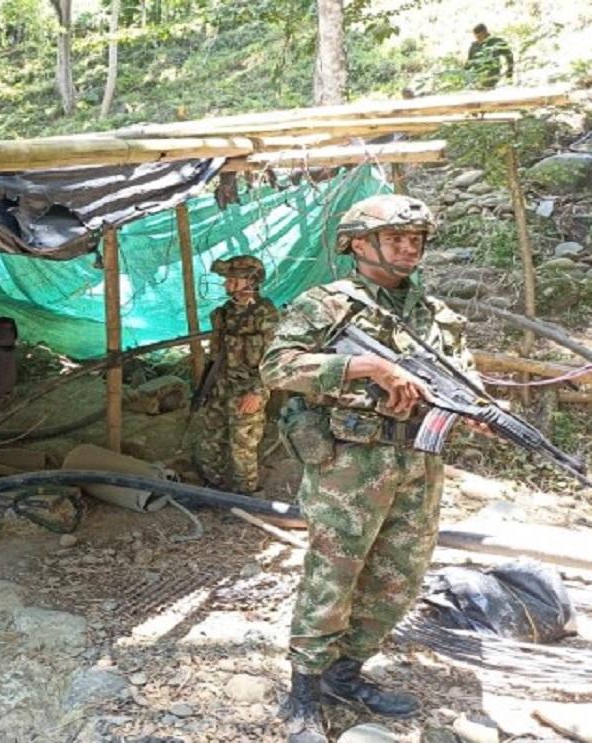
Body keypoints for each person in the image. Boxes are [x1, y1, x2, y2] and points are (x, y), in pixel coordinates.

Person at [260, 195, 483, 742]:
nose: (410, 247)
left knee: (398, 577)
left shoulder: (435, 315)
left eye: (417, 239)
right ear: (359, 244)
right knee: (334, 575)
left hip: (420, 460)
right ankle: (305, 691)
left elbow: (466, 380)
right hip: (351, 465)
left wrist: (477, 409)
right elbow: (276, 366)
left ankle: (346, 673)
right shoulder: (329, 305)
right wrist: (366, 365)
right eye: (396, 237)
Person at [190, 256, 280, 494]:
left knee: (243, 447)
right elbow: (216, 354)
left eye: (232, 279)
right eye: (227, 279)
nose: (226, 284)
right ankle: (212, 489)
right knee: (211, 440)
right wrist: (206, 388)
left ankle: (246, 496)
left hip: (247, 389)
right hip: (219, 387)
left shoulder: (265, 313)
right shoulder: (224, 312)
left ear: (251, 281)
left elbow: (275, 357)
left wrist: (259, 391)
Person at [466, 23, 513, 89]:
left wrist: (509, 73)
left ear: (485, 32)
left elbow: (509, 57)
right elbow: (468, 63)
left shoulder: (497, 42)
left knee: (484, 88)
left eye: (480, 37)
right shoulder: (474, 46)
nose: (478, 39)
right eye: (476, 37)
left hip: (492, 74)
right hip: (478, 76)